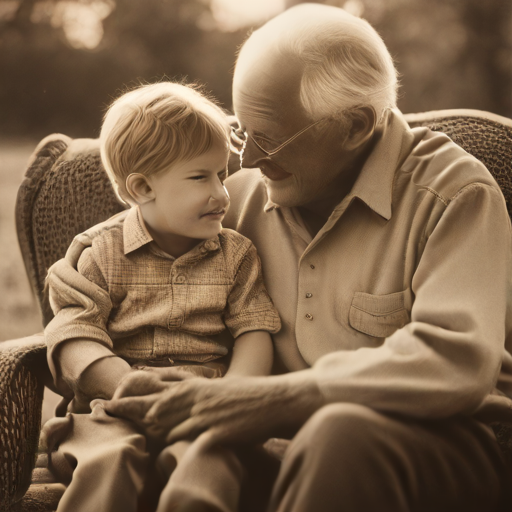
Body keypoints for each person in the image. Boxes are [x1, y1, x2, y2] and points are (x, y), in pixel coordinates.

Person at [99, 4, 512, 512]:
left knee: (341, 431)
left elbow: (455, 363)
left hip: (431, 446)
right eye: (240, 132)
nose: (245, 159)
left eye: (268, 137)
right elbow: (126, 267)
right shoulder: (234, 199)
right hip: (263, 440)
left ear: (355, 125)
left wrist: (267, 401)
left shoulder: (453, 194)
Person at [41, 81, 281, 512]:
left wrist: (233, 394)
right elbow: (76, 336)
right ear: (142, 189)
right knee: (110, 459)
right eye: (200, 177)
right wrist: (131, 387)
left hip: (203, 406)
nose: (221, 194)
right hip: (112, 410)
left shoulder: (237, 254)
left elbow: (254, 328)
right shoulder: (99, 253)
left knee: (207, 462)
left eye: (222, 175)